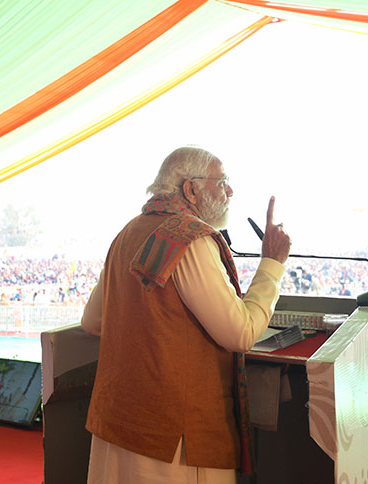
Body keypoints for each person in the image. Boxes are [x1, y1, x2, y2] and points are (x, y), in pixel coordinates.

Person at [81, 146, 291, 484]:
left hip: (119, 422)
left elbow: (92, 322)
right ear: (191, 189)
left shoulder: (127, 233)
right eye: (222, 182)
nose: (230, 191)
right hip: (173, 438)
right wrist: (271, 264)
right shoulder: (190, 239)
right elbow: (241, 333)